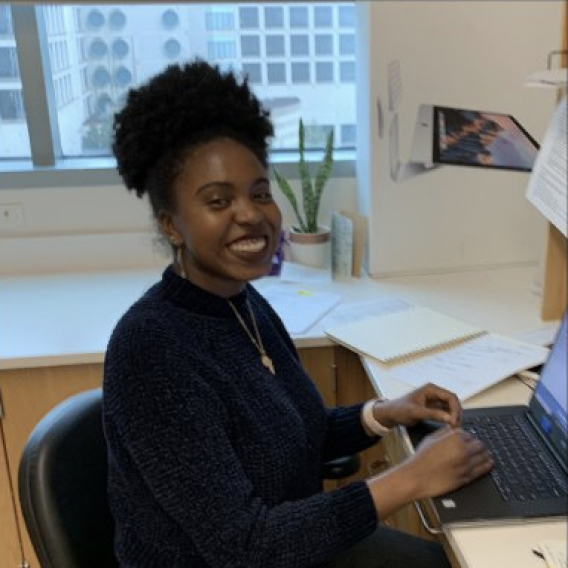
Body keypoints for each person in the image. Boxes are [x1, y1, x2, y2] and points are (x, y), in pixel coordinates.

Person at [103, 59, 493, 568]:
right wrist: (408, 479)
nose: (250, 213)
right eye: (218, 201)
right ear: (171, 225)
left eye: (260, 192)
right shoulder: (151, 351)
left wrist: (384, 413)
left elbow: (296, 432)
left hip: (296, 544)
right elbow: (243, 546)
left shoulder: (242, 302)